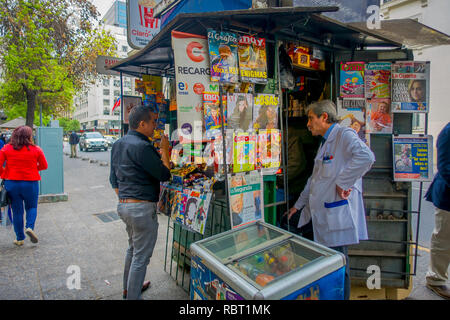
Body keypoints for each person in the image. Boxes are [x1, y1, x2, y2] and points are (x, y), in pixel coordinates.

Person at [286, 100, 375, 300]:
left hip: (336, 217)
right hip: (323, 215)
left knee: (338, 267)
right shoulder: (326, 142)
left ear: (324, 117)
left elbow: (366, 157)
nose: (308, 124)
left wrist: (344, 182)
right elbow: (314, 180)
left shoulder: (344, 135)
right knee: (328, 266)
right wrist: (298, 205)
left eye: (311, 118)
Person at [110, 105, 171, 300]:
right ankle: (132, 296)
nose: (155, 126)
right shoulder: (143, 147)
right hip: (141, 208)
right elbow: (165, 174)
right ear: (142, 123)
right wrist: (164, 150)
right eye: (153, 122)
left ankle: (129, 289)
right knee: (141, 258)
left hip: (124, 205)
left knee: (133, 249)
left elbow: (113, 179)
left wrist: (127, 200)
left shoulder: (118, 144)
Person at [0, 126, 48, 246]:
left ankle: (20, 238)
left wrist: (5, 173)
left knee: (17, 211)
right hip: (30, 183)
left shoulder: (6, 148)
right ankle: (30, 227)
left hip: (12, 183)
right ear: (29, 136)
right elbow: (44, 165)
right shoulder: (36, 149)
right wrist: (32, 169)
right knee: (31, 207)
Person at [424, 122, 450, 299]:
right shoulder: (448, 133)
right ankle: (436, 280)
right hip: (448, 195)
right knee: (444, 240)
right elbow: (446, 168)